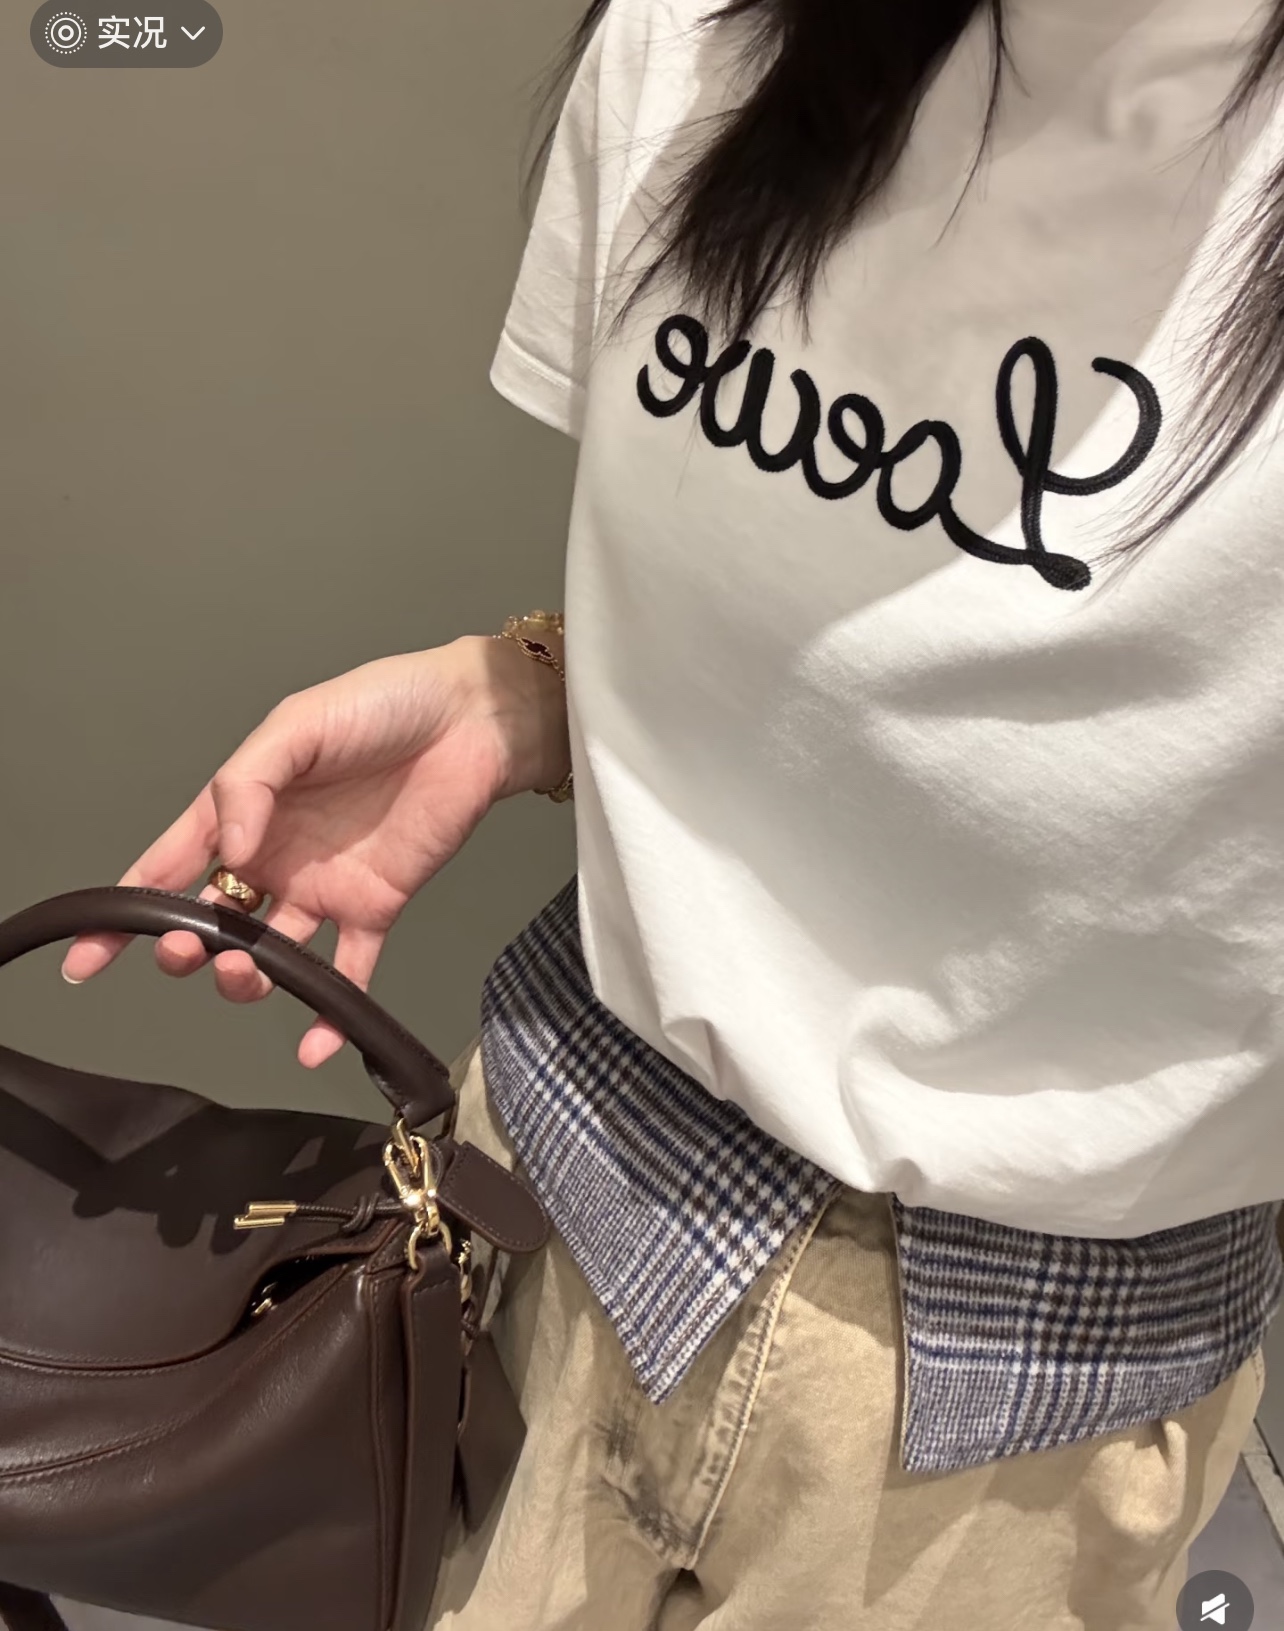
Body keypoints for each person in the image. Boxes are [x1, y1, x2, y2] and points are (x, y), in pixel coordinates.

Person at [60, 0, 1284, 1625]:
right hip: (558, 1201)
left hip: (1017, 1402)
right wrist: (541, 689)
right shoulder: (695, 38)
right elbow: (857, 626)